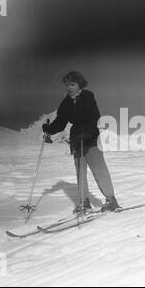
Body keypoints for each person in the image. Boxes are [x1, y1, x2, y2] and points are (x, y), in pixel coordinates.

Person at [42, 71, 120, 214]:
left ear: (79, 85)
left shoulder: (88, 97)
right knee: (80, 172)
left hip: (90, 138)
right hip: (77, 139)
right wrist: (49, 129)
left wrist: (88, 133)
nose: (69, 87)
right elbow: (60, 122)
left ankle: (111, 200)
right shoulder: (66, 102)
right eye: (67, 85)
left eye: (72, 84)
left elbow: (94, 118)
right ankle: (84, 202)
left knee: (99, 170)